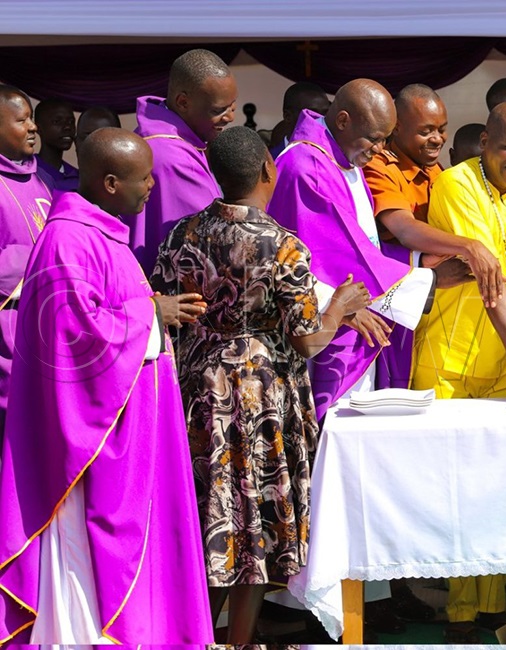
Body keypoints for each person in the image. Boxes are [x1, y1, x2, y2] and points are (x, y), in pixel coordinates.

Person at [267, 77, 473, 635]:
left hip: (359, 327)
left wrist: (408, 282)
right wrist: (418, 281)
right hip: (331, 337)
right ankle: (304, 606)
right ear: (342, 122)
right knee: (329, 471)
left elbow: (359, 249)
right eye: (375, 137)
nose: (381, 150)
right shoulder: (304, 166)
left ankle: (367, 595)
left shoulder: (344, 160)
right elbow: (311, 256)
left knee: (361, 476)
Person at [149, 126, 369, 644]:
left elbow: (163, 303)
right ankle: (239, 641)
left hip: (196, 390)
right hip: (259, 396)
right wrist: (340, 306)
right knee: (255, 525)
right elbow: (309, 340)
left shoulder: (182, 234)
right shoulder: (281, 244)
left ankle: (194, 634)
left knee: (208, 517)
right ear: (269, 172)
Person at [0, 127, 212, 643]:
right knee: (86, 573)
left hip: (130, 431)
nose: (151, 191)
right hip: (90, 456)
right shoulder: (68, 238)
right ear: (111, 181)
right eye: (144, 181)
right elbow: (72, 337)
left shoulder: (101, 230)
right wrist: (150, 312)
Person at [412, 101, 506, 641]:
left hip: (504, 363)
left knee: (498, 484)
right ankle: (456, 613)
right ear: (484, 145)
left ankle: (492, 605)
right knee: (451, 485)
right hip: (446, 361)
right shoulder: (456, 185)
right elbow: (487, 275)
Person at [363, 84, 503, 388]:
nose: (438, 138)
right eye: (427, 130)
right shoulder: (381, 167)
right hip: (393, 314)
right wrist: (470, 247)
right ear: (397, 127)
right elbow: (404, 229)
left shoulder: (437, 171)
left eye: (442, 129)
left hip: (444, 321)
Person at [129, 48, 237, 273]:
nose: (230, 117)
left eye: (232, 106)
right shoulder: (171, 158)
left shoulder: (179, 140)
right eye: (219, 110)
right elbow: (211, 238)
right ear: (183, 102)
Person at [0, 86, 51, 441]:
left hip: (42, 322)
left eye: (32, 118)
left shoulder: (39, 179)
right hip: (9, 329)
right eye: (22, 120)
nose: (33, 127)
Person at [270, 81, 331, 157]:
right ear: (288, 116)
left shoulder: (336, 160)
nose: (321, 121)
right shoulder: (270, 161)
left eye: (325, 114)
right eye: (311, 114)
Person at [33, 98, 78, 192]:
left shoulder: (76, 176)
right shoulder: (29, 171)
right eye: (57, 121)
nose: (67, 127)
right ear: (39, 129)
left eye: (71, 122)